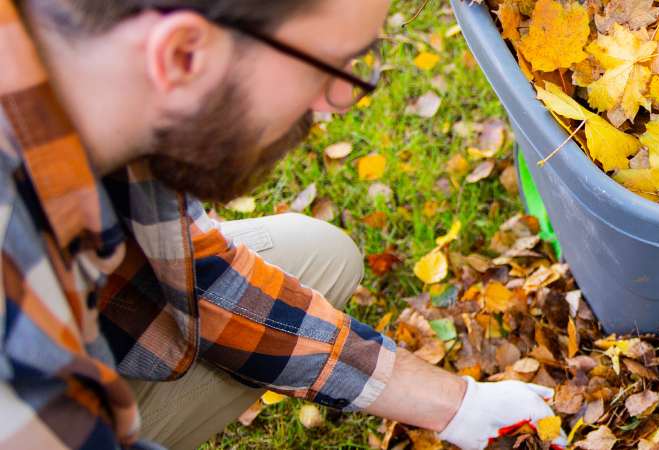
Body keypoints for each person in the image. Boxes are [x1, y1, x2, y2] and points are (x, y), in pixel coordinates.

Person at [0, 0, 563, 448]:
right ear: (184, 55)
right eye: (330, 65)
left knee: (319, 255)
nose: (341, 100)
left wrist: (457, 405)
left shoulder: (94, 86)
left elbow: (198, 276)